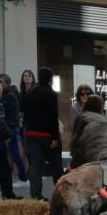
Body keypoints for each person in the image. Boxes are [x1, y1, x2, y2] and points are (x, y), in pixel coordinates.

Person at [21, 66, 63, 201]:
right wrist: (55, 137)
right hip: (47, 135)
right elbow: (53, 117)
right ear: (50, 78)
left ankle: (35, 195)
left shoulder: (30, 93)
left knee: (36, 166)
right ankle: (60, 194)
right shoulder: (50, 94)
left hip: (32, 134)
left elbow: (25, 114)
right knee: (56, 166)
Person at [0, 73, 28, 190]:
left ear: (7, 83)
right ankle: (22, 177)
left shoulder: (9, 96)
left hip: (10, 129)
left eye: (0, 82)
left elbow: (5, 113)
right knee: (12, 154)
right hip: (10, 128)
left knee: (15, 154)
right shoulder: (6, 95)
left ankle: (23, 178)